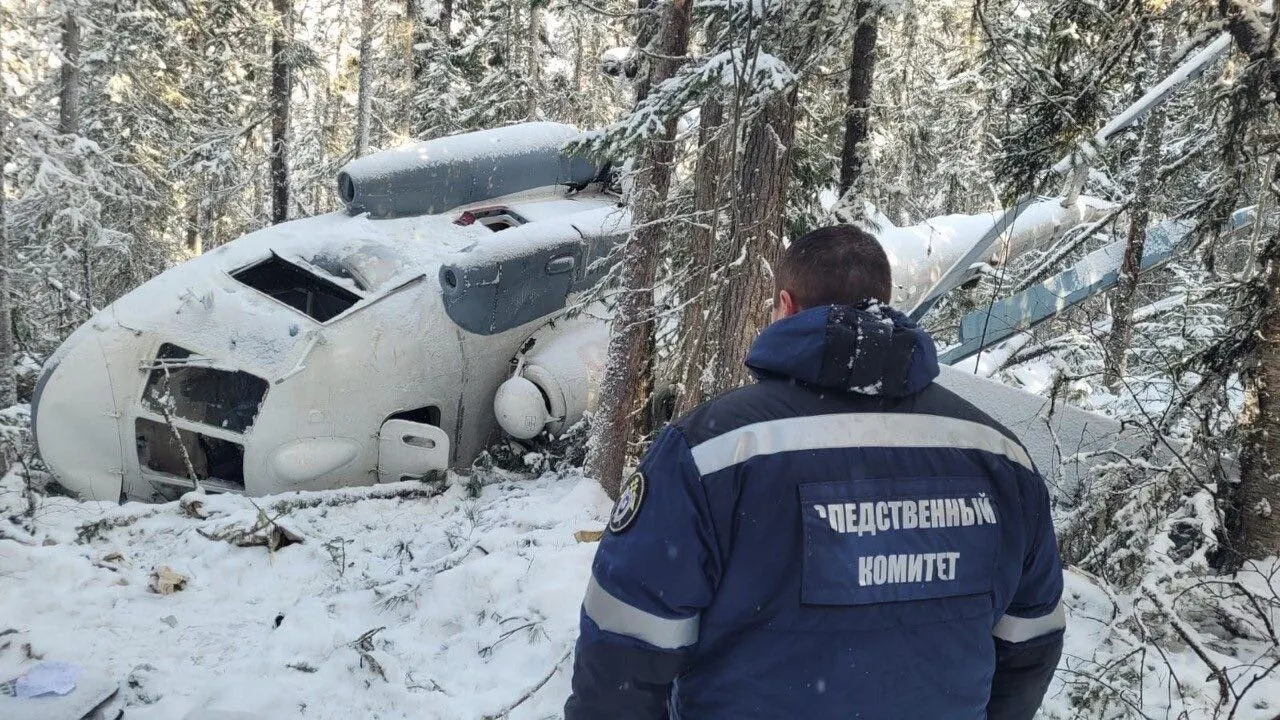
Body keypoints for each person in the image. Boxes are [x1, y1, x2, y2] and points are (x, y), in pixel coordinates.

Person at [564, 225, 1065, 720]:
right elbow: (1030, 646)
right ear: (885, 303)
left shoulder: (709, 452)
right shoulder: (1002, 459)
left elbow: (623, 653)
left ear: (785, 306)